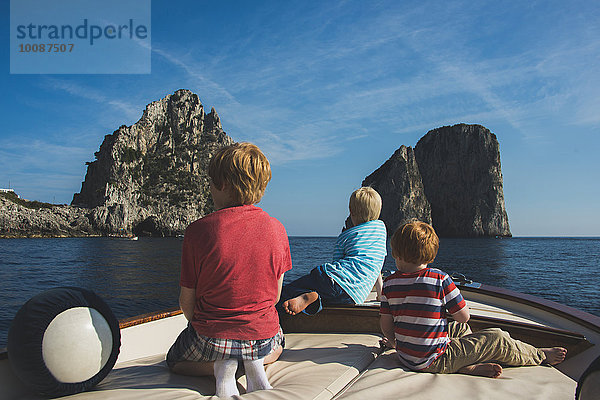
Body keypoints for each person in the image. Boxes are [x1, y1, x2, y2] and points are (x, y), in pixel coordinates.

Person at [166, 142, 292, 397]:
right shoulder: (278, 229)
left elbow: (186, 301)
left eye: (211, 182)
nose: (209, 188)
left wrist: (206, 328)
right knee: (278, 347)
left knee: (174, 361)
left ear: (222, 184)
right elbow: (276, 296)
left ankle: (222, 367)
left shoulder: (197, 231)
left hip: (212, 338)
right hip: (261, 337)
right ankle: (253, 363)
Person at [380, 221, 567, 378]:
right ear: (430, 253)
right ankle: (539, 355)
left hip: (406, 357)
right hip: (433, 360)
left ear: (396, 252)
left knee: (459, 330)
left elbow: (386, 325)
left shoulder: (389, 283)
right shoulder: (439, 279)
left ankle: (465, 365)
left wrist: (396, 343)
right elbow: (463, 316)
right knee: (497, 338)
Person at [280, 187, 387, 315]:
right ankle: (313, 297)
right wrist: (381, 295)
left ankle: (308, 297)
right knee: (331, 296)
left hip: (331, 279)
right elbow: (378, 266)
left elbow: (336, 263)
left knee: (287, 291)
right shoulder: (381, 230)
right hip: (353, 297)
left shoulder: (345, 236)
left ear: (351, 212)